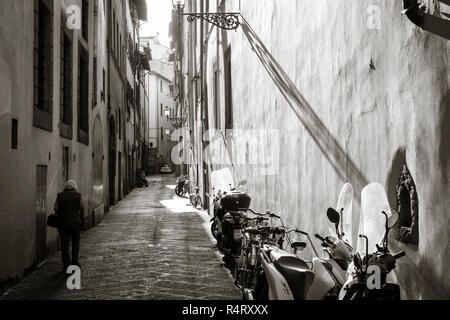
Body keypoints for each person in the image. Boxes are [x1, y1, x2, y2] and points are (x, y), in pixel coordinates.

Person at [54, 180, 84, 272]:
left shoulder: (59, 196)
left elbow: (56, 208)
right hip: (75, 223)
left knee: (64, 244)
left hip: (63, 224)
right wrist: (81, 221)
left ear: (65, 187)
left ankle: (66, 264)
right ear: (74, 187)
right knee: (75, 241)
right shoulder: (78, 195)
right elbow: (82, 207)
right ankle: (74, 261)